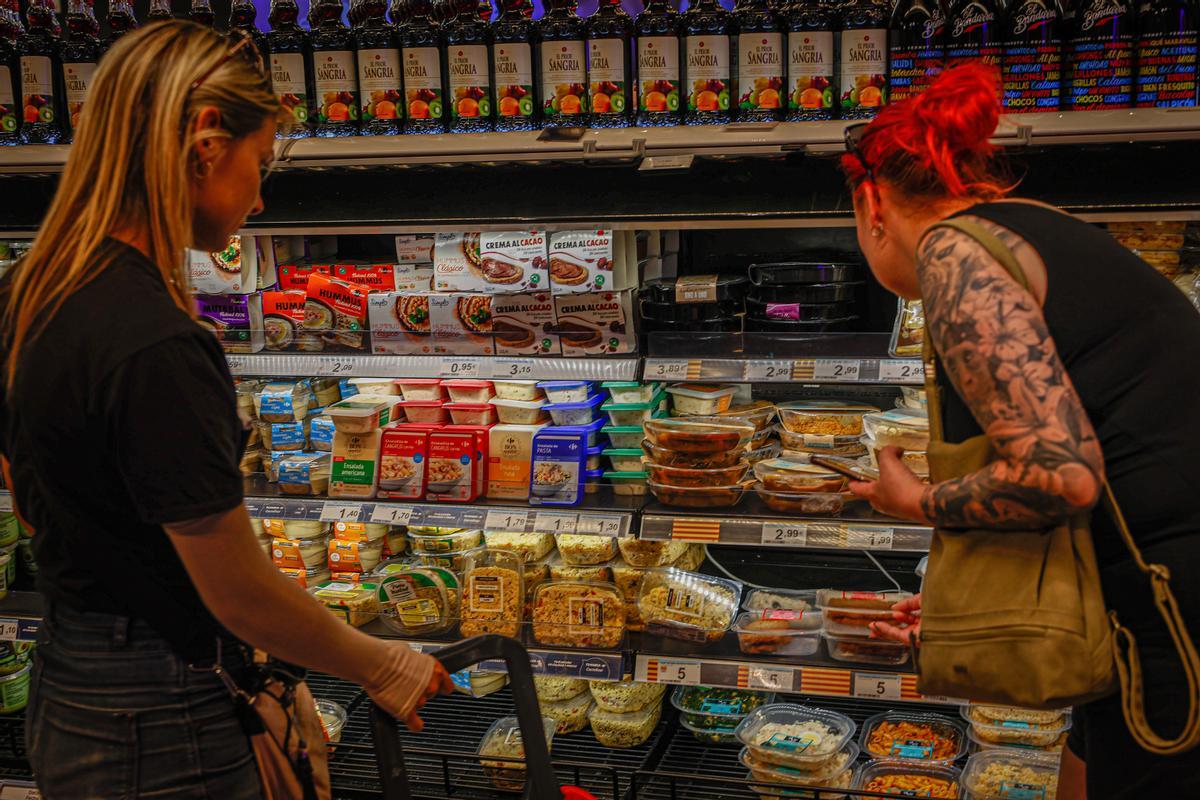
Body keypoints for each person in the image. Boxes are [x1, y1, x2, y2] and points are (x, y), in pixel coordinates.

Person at [0, 22, 451, 799]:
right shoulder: (156, 343)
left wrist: (262, 669)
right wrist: (382, 662)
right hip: (162, 711)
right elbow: (236, 589)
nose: (261, 193)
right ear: (207, 140)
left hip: (73, 677)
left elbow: (30, 495)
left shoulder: (27, 293)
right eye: (261, 161)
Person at [841, 64, 1200, 798]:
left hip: (1170, 610)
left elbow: (1059, 477)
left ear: (873, 205)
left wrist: (915, 502)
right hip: (1129, 592)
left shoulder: (953, 252)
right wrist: (968, 606)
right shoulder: (1034, 227)